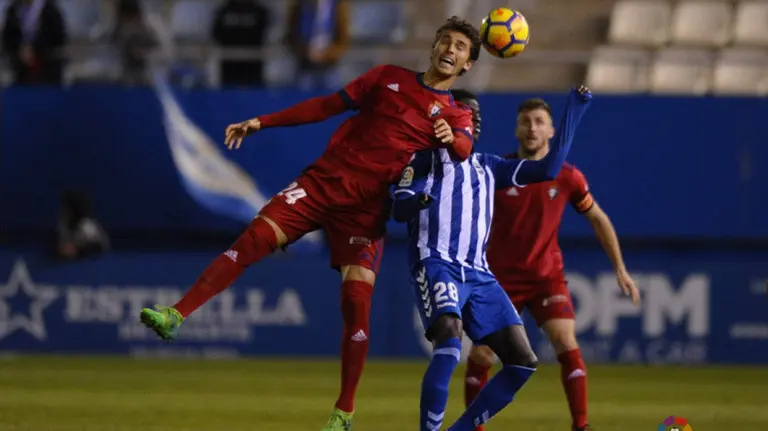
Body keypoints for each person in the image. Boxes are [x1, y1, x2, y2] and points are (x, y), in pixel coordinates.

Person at [139, 16, 482, 431]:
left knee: (356, 305)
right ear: (433, 47)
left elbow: (465, 148)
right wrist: (262, 121)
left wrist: (450, 137)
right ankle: (176, 315)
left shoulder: (455, 113)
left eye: (461, 47)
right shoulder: (386, 78)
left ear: (467, 64)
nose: (450, 49)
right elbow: (326, 106)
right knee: (253, 239)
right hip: (321, 184)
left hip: (366, 210)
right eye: (445, 40)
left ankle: (344, 412)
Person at [391, 86, 592, 431]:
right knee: (451, 339)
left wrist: (575, 109)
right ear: (448, 119)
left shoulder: (490, 167)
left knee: (522, 361)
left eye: (477, 117)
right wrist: (420, 201)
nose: (474, 120)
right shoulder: (422, 161)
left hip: (480, 274)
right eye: (467, 113)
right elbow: (398, 207)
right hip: (436, 263)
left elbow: (547, 170)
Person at [463, 96, 641, 431]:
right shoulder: (496, 172)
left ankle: (581, 425)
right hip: (498, 280)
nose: (532, 128)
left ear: (551, 130)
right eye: (525, 121)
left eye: (539, 122)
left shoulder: (567, 177)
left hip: (546, 277)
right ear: (516, 128)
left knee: (565, 342)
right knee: (482, 356)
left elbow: (599, 219)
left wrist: (620, 268)